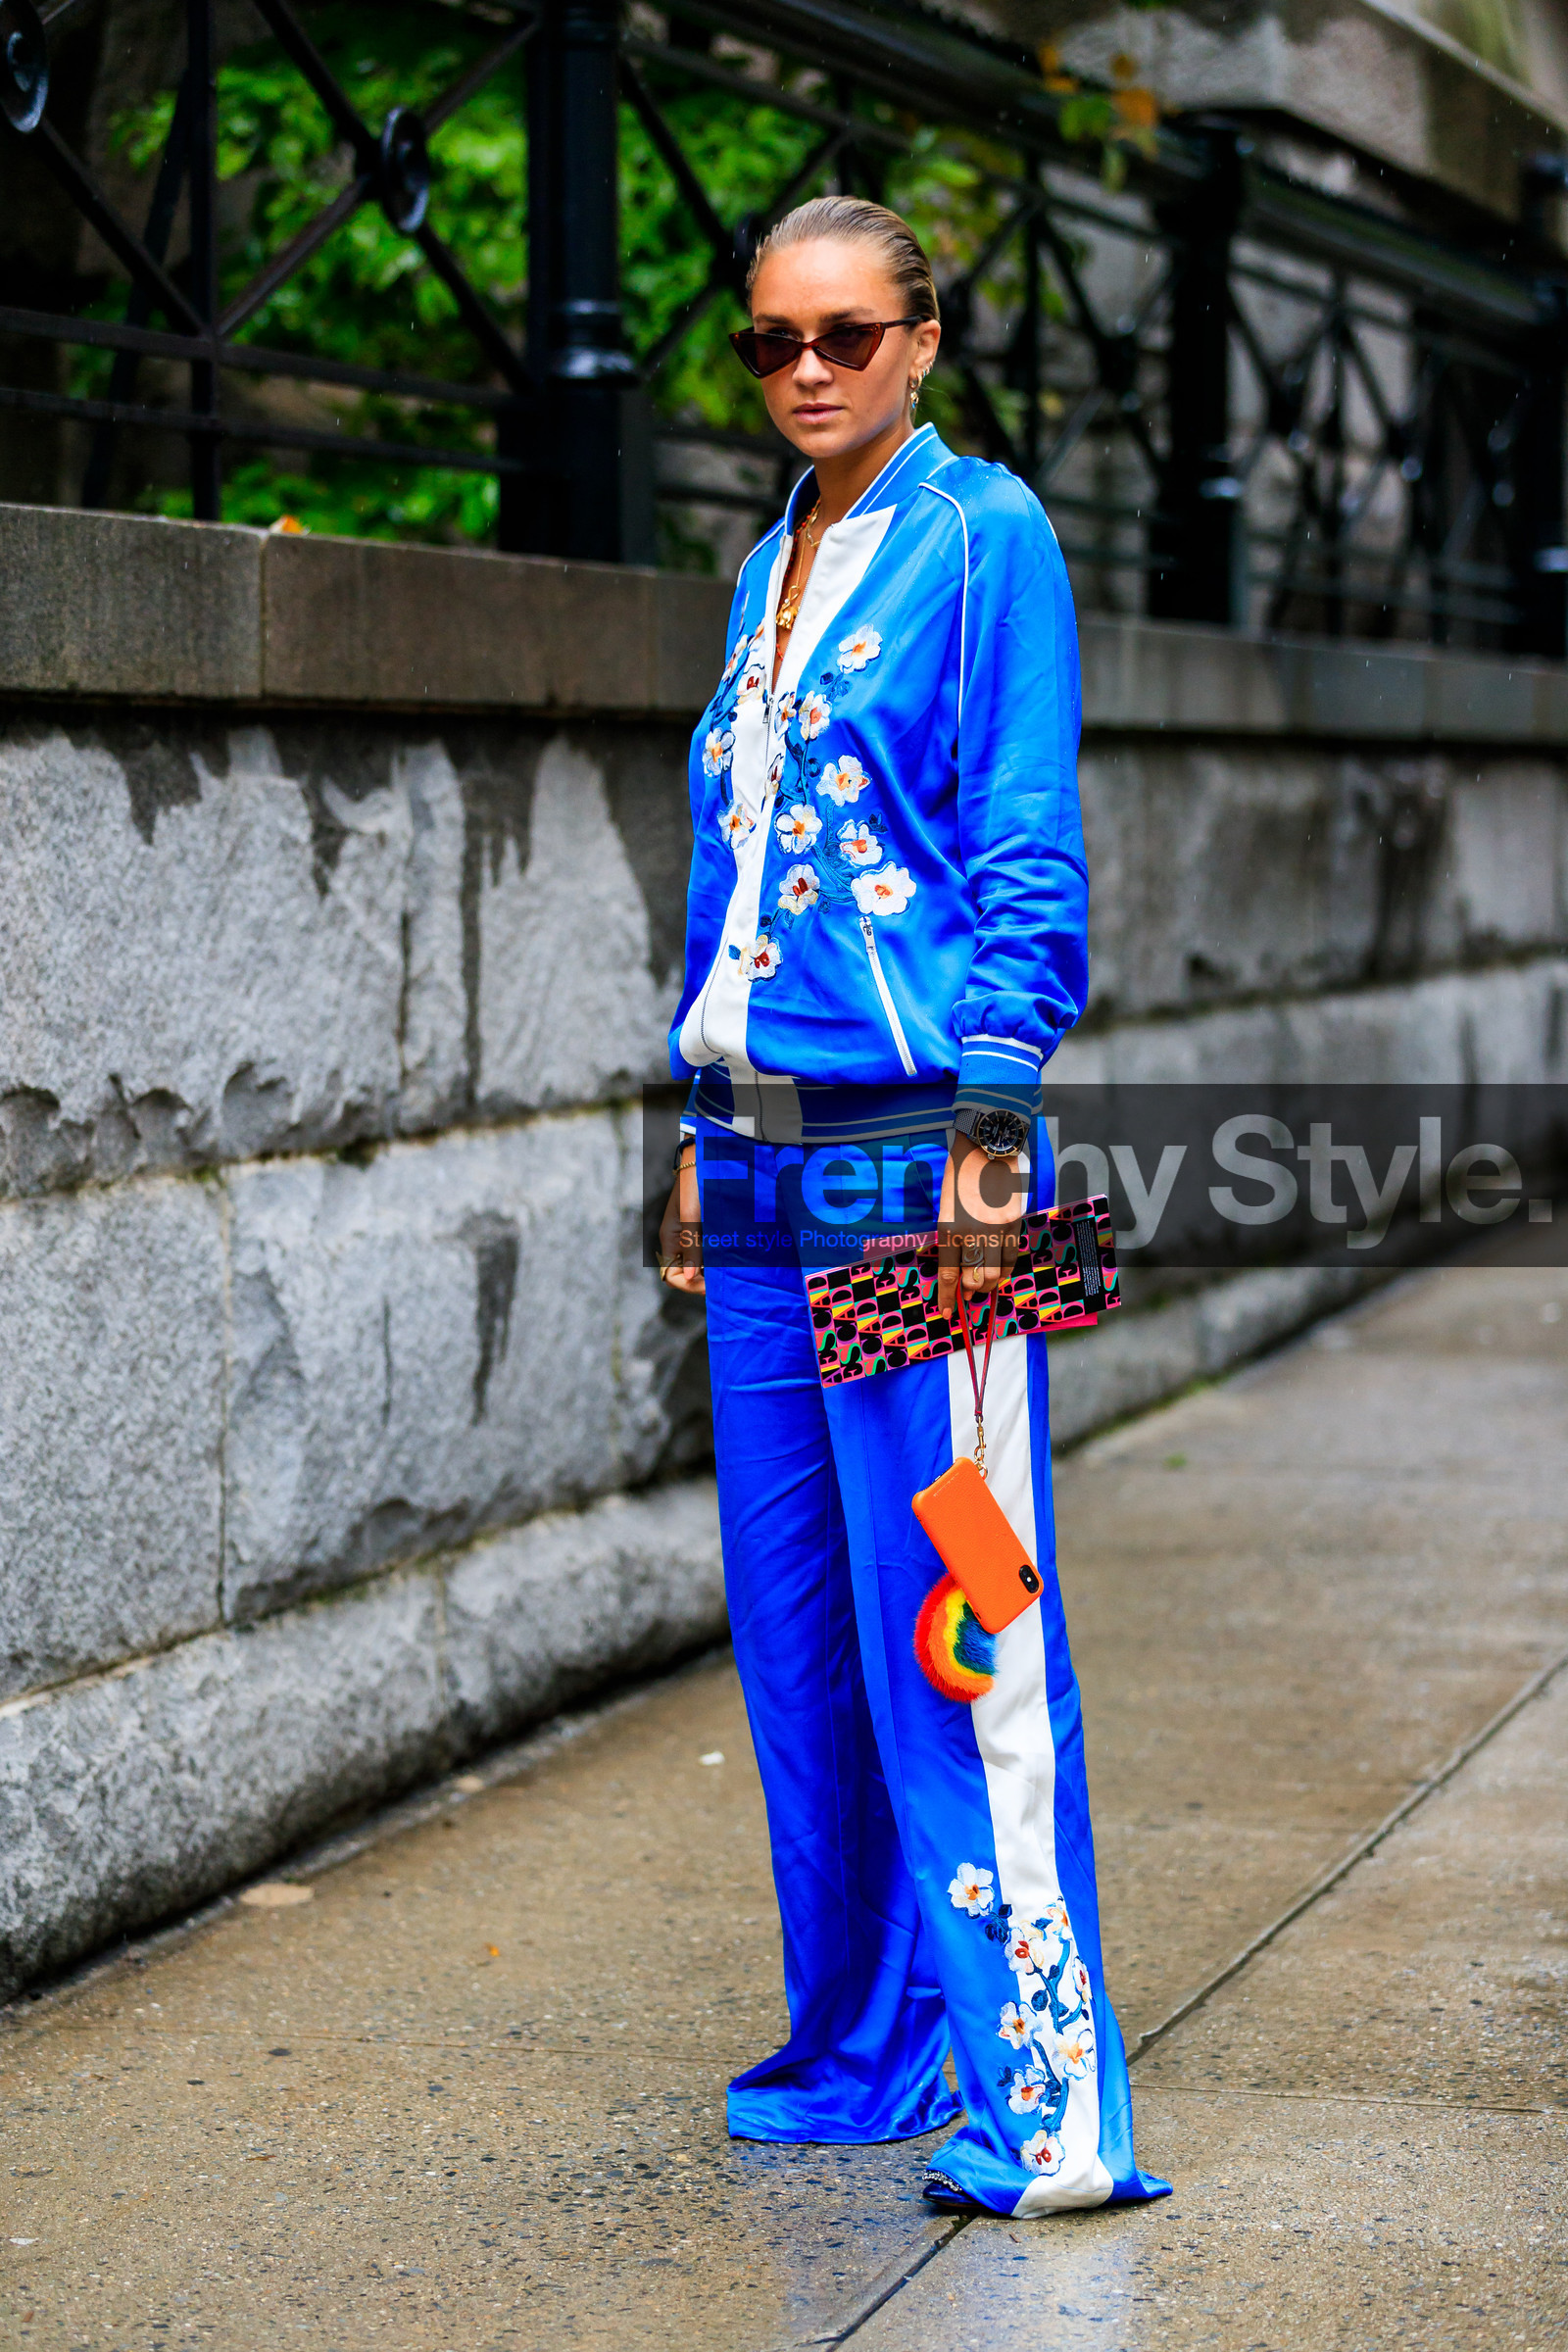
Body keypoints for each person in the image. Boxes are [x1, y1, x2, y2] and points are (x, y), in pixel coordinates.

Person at [657, 195, 1167, 2218]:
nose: (806, 369)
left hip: (910, 1155)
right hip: (757, 1156)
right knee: (798, 1632)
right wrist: (697, 1123)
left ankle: (1047, 2109)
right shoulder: (765, 562)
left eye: (846, 335)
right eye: (772, 340)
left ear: (924, 341)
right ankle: (867, 2049)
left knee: (959, 1627)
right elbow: (730, 874)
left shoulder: (985, 538)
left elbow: (1023, 837)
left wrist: (988, 1125)